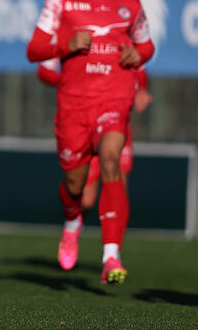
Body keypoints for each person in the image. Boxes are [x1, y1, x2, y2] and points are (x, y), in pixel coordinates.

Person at [27, 0, 155, 284]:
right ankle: (71, 223)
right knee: (75, 185)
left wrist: (137, 54)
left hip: (113, 98)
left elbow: (146, 46)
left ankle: (111, 256)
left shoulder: (130, 5)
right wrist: (66, 45)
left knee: (112, 160)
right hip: (74, 105)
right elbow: (34, 50)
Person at [37, 58, 152, 271]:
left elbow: (138, 62)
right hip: (82, 118)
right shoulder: (70, 38)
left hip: (113, 118)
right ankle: (72, 224)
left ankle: (112, 255)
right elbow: (44, 69)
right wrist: (72, 82)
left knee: (117, 177)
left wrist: (141, 89)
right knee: (85, 198)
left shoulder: (121, 37)